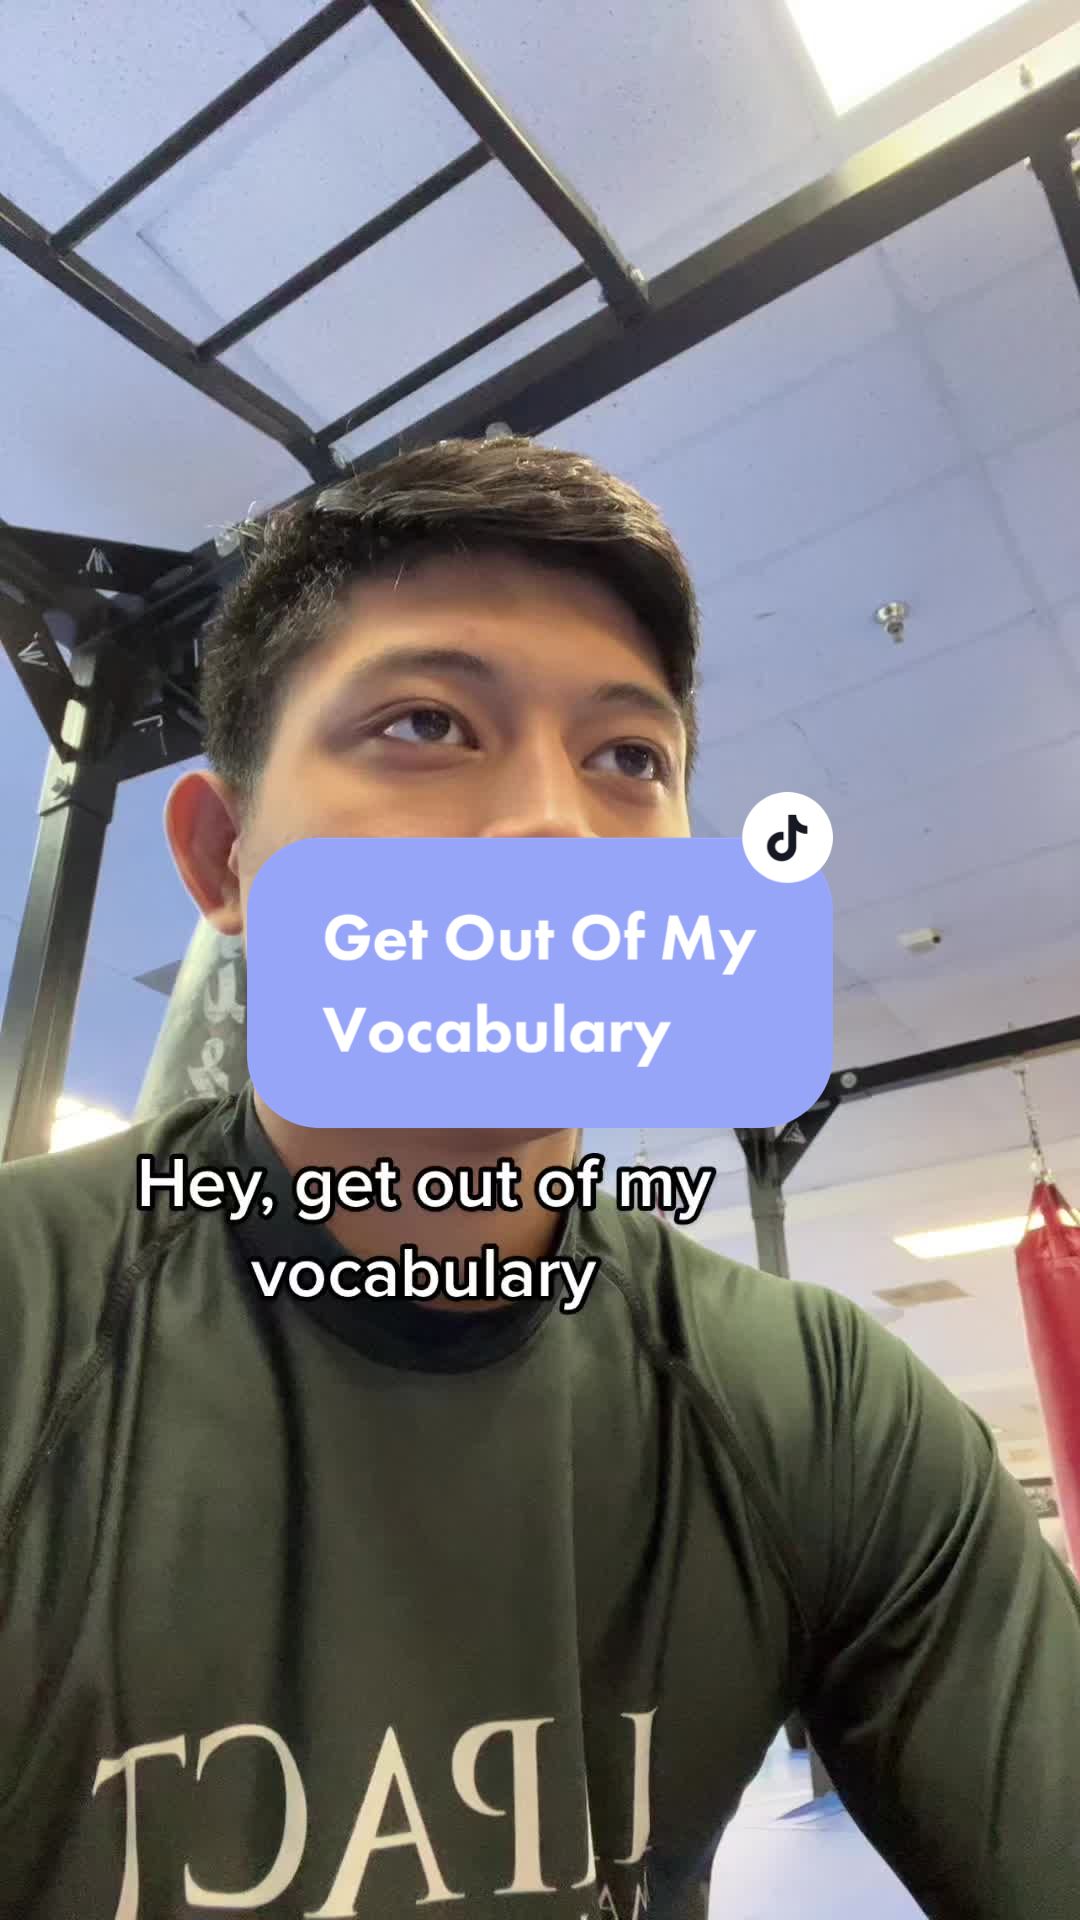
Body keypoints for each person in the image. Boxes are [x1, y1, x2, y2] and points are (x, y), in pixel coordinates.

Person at [0, 437, 1077, 1920]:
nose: (559, 829)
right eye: (427, 723)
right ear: (225, 859)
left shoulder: (823, 1407)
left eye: (629, 759)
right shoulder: (30, 1326)